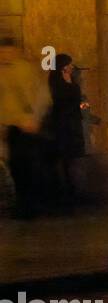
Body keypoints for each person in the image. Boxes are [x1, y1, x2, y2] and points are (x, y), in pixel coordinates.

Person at [0, 37, 52, 219]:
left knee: (29, 166)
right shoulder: (3, 72)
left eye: (8, 52)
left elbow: (41, 95)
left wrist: (35, 118)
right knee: (16, 167)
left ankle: (31, 204)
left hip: (27, 125)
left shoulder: (26, 70)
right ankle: (24, 204)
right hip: (12, 126)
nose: (5, 56)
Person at [45, 53, 88, 208]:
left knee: (75, 159)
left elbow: (77, 97)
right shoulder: (55, 82)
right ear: (63, 66)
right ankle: (66, 195)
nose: (72, 67)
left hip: (74, 123)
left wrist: (81, 105)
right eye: (69, 64)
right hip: (62, 125)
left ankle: (77, 193)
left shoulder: (73, 81)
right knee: (65, 160)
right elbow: (58, 102)